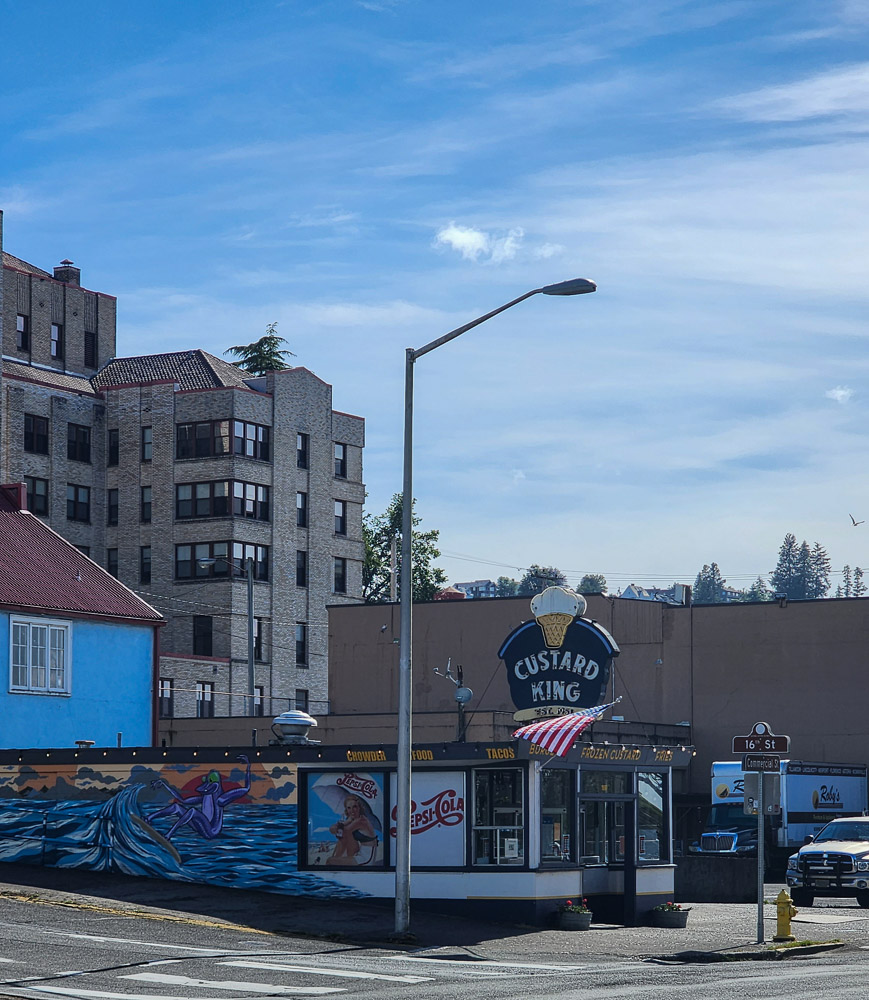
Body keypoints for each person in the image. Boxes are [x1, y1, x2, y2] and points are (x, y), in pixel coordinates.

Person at [327, 794, 375, 864]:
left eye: (354, 807)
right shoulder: (353, 820)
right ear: (346, 809)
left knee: (330, 861)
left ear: (359, 807)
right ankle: (338, 858)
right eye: (349, 808)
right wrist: (346, 822)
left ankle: (337, 859)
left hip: (366, 858)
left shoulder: (361, 821)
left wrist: (346, 822)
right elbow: (332, 829)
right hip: (359, 852)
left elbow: (342, 831)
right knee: (344, 838)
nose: (352, 810)